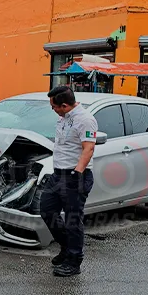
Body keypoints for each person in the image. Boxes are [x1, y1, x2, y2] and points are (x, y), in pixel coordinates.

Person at [39, 85, 98, 277]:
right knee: (47, 210)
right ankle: (66, 247)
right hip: (57, 175)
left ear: (64, 105)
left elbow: (88, 148)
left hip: (75, 175)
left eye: (54, 107)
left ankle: (74, 261)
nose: (53, 110)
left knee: (73, 219)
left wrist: (77, 173)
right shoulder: (63, 119)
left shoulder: (85, 120)